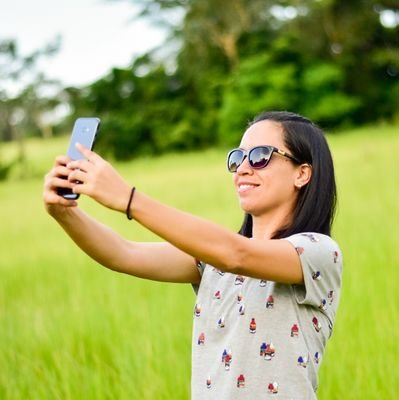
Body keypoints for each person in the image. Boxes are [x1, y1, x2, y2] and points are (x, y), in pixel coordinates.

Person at [43, 110, 343, 399]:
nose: (243, 168)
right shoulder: (213, 263)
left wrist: (128, 198)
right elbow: (124, 253)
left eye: (260, 156)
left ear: (302, 174)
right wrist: (63, 213)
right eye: (237, 158)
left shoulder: (318, 253)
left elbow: (237, 254)